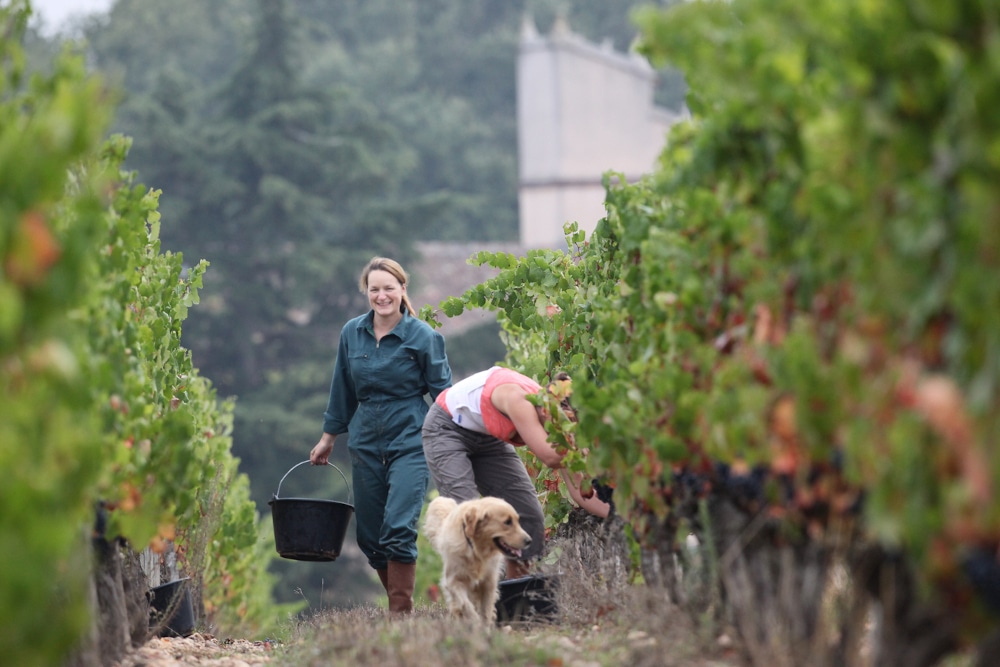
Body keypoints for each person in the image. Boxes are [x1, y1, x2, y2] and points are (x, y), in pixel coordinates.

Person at [310, 257, 452, 613]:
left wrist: (460, 438)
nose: (381, 296)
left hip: (411, 441)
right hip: (365, 443)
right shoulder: (352, 333)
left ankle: (400, 619)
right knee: (371, 538)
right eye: (374, 289)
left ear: (403, 290)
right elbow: (342, 387)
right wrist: (328, 438)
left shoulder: (423, 337)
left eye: (389, 288)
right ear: (366, 292)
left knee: (398, 528)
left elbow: (444, 395)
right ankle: (400, 608)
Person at [421, 366, 609, 580]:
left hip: (487, 437)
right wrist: (580, 446)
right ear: (552, 411)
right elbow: (548, 456)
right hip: (446, 428)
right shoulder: (521, 401)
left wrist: (621, 516)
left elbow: (580, 493)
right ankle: (475, 600)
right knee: (468, 517)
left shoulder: (555, 421)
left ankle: (517, 594)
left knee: (528, 516)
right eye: (568, 428)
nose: (566, 435)